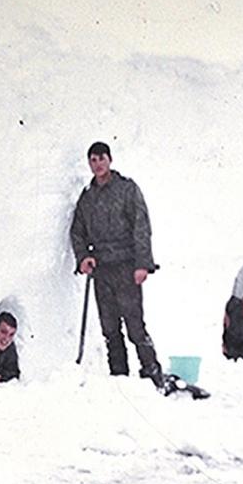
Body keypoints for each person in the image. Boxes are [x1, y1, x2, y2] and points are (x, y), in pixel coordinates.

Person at [69, 141, 164, 387]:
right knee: (110, 328)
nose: (97, 164)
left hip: (126, 267)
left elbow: (141, 226)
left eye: (101, 158)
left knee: (135, 327)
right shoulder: (87, 197)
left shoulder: (127, 190)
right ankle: (119, 378)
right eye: (92, 160)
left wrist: (142, 264)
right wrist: (83, 258)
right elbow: (77, 230)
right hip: (101, 270)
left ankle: (152, 373)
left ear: (110, 160)